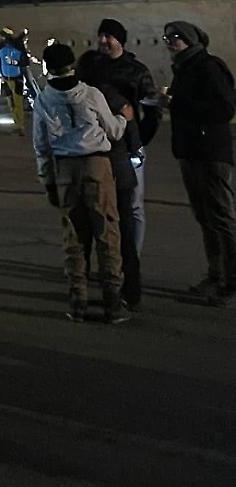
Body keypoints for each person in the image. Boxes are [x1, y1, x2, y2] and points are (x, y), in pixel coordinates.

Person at [34, 42, 131, 323]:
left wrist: (47, 180)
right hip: (96, 165)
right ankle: (113, 302)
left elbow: (41, 145)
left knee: (74, 237)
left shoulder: (44, 99)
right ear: (72, 64)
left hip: (64, 169)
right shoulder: (90, 93)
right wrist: (123, 120)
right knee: (107, 232)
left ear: (49, 67)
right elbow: (112, 131)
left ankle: (78, 300)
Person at [163, 21, 236, 305]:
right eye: (167, 37)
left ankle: (231, 281)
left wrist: (176, 104)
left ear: (192, 41)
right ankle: (215, 274)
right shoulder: (184, 68)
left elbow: (225, 108)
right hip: (190, 151)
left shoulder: (208, 66)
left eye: (176, 37)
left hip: (211, 153)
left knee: (221, 217)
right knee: (205, 217)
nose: (170, 41)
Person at [77, 51, 141, 310]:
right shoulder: (111, 96)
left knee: (85, 234)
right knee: (120, 234)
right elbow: (131, 135)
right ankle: (127, 292)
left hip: (89, 172)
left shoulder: (78, 95)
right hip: (117, 171)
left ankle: (80, 292)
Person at [96, 18, 160, 254]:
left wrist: (141, 139)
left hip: (130, 146)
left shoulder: (136, 70)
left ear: (119, 40)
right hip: (100, 145)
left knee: (133, 205)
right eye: (101, 35)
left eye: (108, 36)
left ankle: (133, 257)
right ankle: (112, 258)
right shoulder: (93, 68)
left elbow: (152, 110)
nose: (103, 41)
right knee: (105, 205)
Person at [0, 27, 31, 134]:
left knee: (18, 102)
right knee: (11, 103)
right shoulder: (0, 46)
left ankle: (20, 126)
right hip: (6, 78)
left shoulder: (18, 47)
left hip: (17, 78)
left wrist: (15, 63)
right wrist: (0, 74)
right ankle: (17, 124)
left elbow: (25, 62)